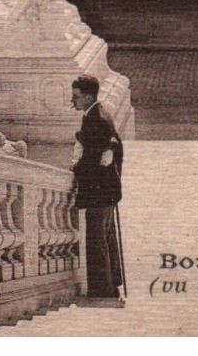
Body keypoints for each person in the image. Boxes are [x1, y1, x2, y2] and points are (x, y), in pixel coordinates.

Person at [71, 75, 125, 303]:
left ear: (89, 96)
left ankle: (103, 289)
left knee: (97, 240)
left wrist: (75, 169)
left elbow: (91, 159)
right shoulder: (101, 113)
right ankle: (112, 283)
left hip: (98, 191)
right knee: (107, 237)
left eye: (76, 97)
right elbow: (112, 144)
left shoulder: (95, 120)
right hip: (108, 190)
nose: (72, 101)